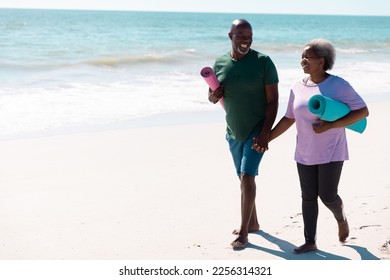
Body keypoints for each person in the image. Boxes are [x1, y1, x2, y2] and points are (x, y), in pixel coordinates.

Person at [269, 38, 369, 254]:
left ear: (322, 61)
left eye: (308, 56)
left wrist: (331, 125)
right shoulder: (297, 86)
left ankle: (340, 217)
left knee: (328, 196)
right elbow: (288, 118)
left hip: (332, 149)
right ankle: (310, 241)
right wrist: (267, 138)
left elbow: (362, 111)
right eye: (302, 56)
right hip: (304, 150)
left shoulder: (338, 85)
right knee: (307, 196)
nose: (303, 59)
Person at [208, 19, 279, 249]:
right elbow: (212, 96)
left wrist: (265, 133)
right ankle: (255, 222)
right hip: (233, 131)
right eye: (241, 35)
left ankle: (244, 233)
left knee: (248, 178)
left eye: (249, 35)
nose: (246, 40)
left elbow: (273, 101)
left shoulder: (263, 62)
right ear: (230, 36)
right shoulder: (219, 63)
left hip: (257, 130)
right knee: (242, 178)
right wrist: (213, 94)